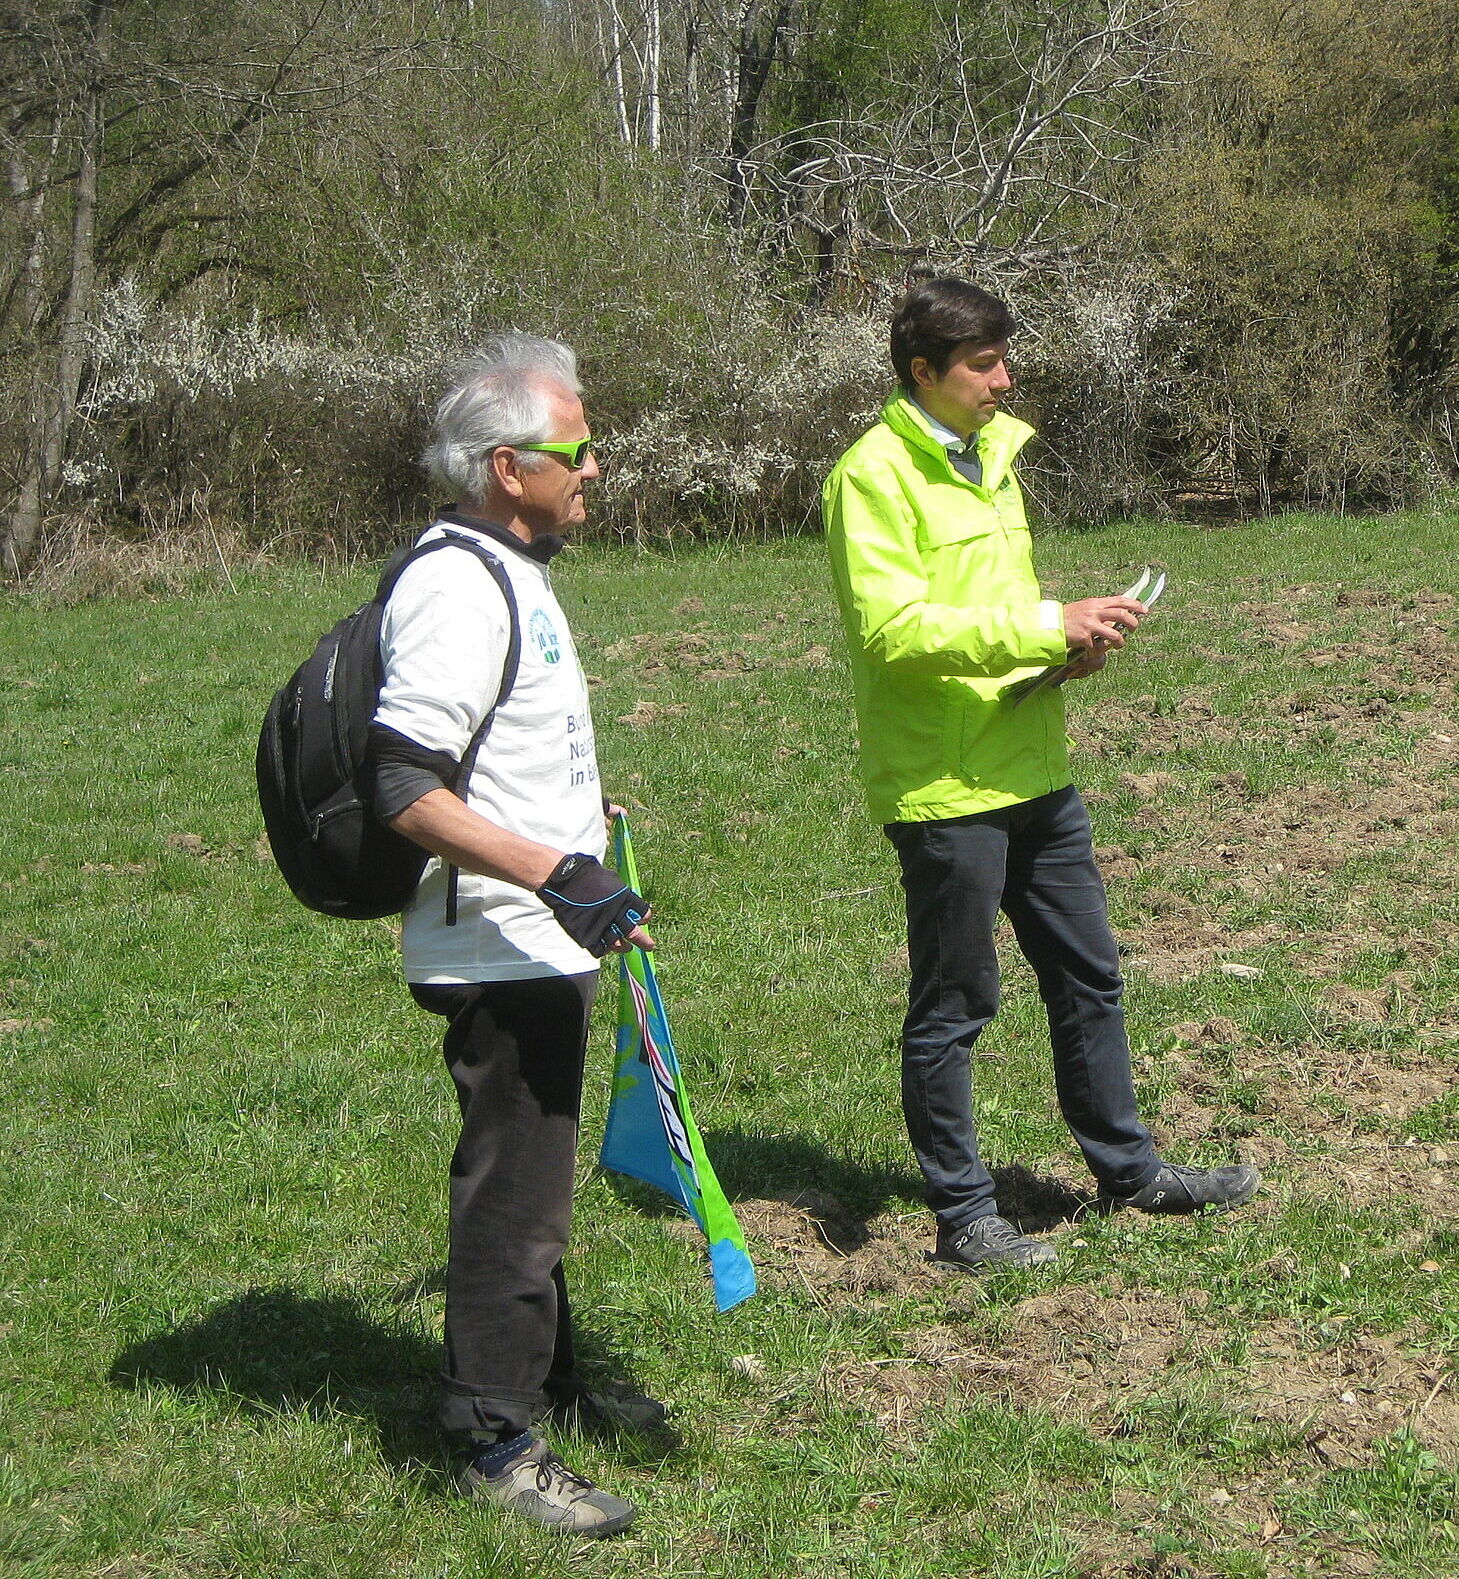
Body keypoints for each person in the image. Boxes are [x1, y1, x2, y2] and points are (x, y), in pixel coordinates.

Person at [822, 277, 1259, 1273]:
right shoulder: (872, 476)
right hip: (945, 791)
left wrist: (1061, 652)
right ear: (922, 371)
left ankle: (1131, 1171)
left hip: (1033, 768)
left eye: (1002, 359)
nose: (1002, 379)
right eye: (982, 365)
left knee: (1088, 974)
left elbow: (988, 610)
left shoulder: (989, 457)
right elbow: (893, 632)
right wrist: (1038, 623)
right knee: (955, 1006)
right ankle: (964, 1218)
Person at [367, 334, 658, 1536]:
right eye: (576, 450)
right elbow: (402, 784)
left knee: (535, 1177)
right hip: (497, 936)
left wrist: (579, 820)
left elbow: (499, 749)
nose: (596, 467)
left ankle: (554, 1380)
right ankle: (494, 1431)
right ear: (506, 466)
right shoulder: (455, 582)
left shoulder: (510, 563)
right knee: (513, 1192)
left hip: (538, 923)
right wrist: (551, 869)